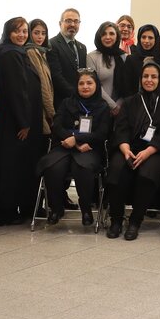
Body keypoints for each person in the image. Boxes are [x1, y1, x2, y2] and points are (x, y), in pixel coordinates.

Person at [107, 59, 160, 240]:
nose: (149, 80)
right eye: (145, 76)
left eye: (154, 77)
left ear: (159, 80)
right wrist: (125, 148)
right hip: (129, 148)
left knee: (146, 174)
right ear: (140, 79)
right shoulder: (129, 102)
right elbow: (121, 129)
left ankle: (135, 221)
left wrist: (148, 151)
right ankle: (116, 220)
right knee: (117, 169)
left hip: (156, 151)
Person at [0, 17, 43, 231]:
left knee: (17, 166)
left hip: (18, 120)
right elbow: (16, 91)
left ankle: (14, 208)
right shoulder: (10, 54)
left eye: (24, 31)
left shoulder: (15, 51)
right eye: (16, 31)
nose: (21, 35)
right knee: (12, 167)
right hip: (15, 123)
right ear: (8, 32)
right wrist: (24, 122)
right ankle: (7, 211)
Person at [37, 69, 109, 227]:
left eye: (89, 83)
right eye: (81, 83)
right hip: (64, 146)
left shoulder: (103, 107)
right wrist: (73, 141)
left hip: (89, 148)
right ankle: (56, 208)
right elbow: (57, 126)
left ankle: (86, 209)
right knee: (53, 168)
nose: (85, 86)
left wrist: (76, 139)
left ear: (96, 85)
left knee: (82, 168)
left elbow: (102, 133)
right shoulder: (66, 103)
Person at [24, 18, 56, 151]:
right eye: (36, 33)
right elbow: (43, 84)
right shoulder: (31, 51)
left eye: (43, 33)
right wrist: (51, 112)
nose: (40, 37)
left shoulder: (41, 51)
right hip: (40, 108)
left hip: (43, 106)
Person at [86, 21, 131, 114]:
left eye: (111, 34)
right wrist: (113, 106)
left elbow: (127, 85)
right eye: (104, 34)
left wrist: (119, 105)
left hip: (122, 108)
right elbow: (95, 85)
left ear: (117, 36)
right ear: (99, 36)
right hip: (99, 108)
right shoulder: (92, 57)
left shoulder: (124, 57)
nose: (107, 37)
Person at [47, 8, 87, 105]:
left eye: (76, 21)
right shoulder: (51, 44)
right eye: (68, 21)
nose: (72, 24)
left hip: (81, 101)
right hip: (61, 102)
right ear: (60, 23)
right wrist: (76, 94)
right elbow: (56, 76)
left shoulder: (82, 47)